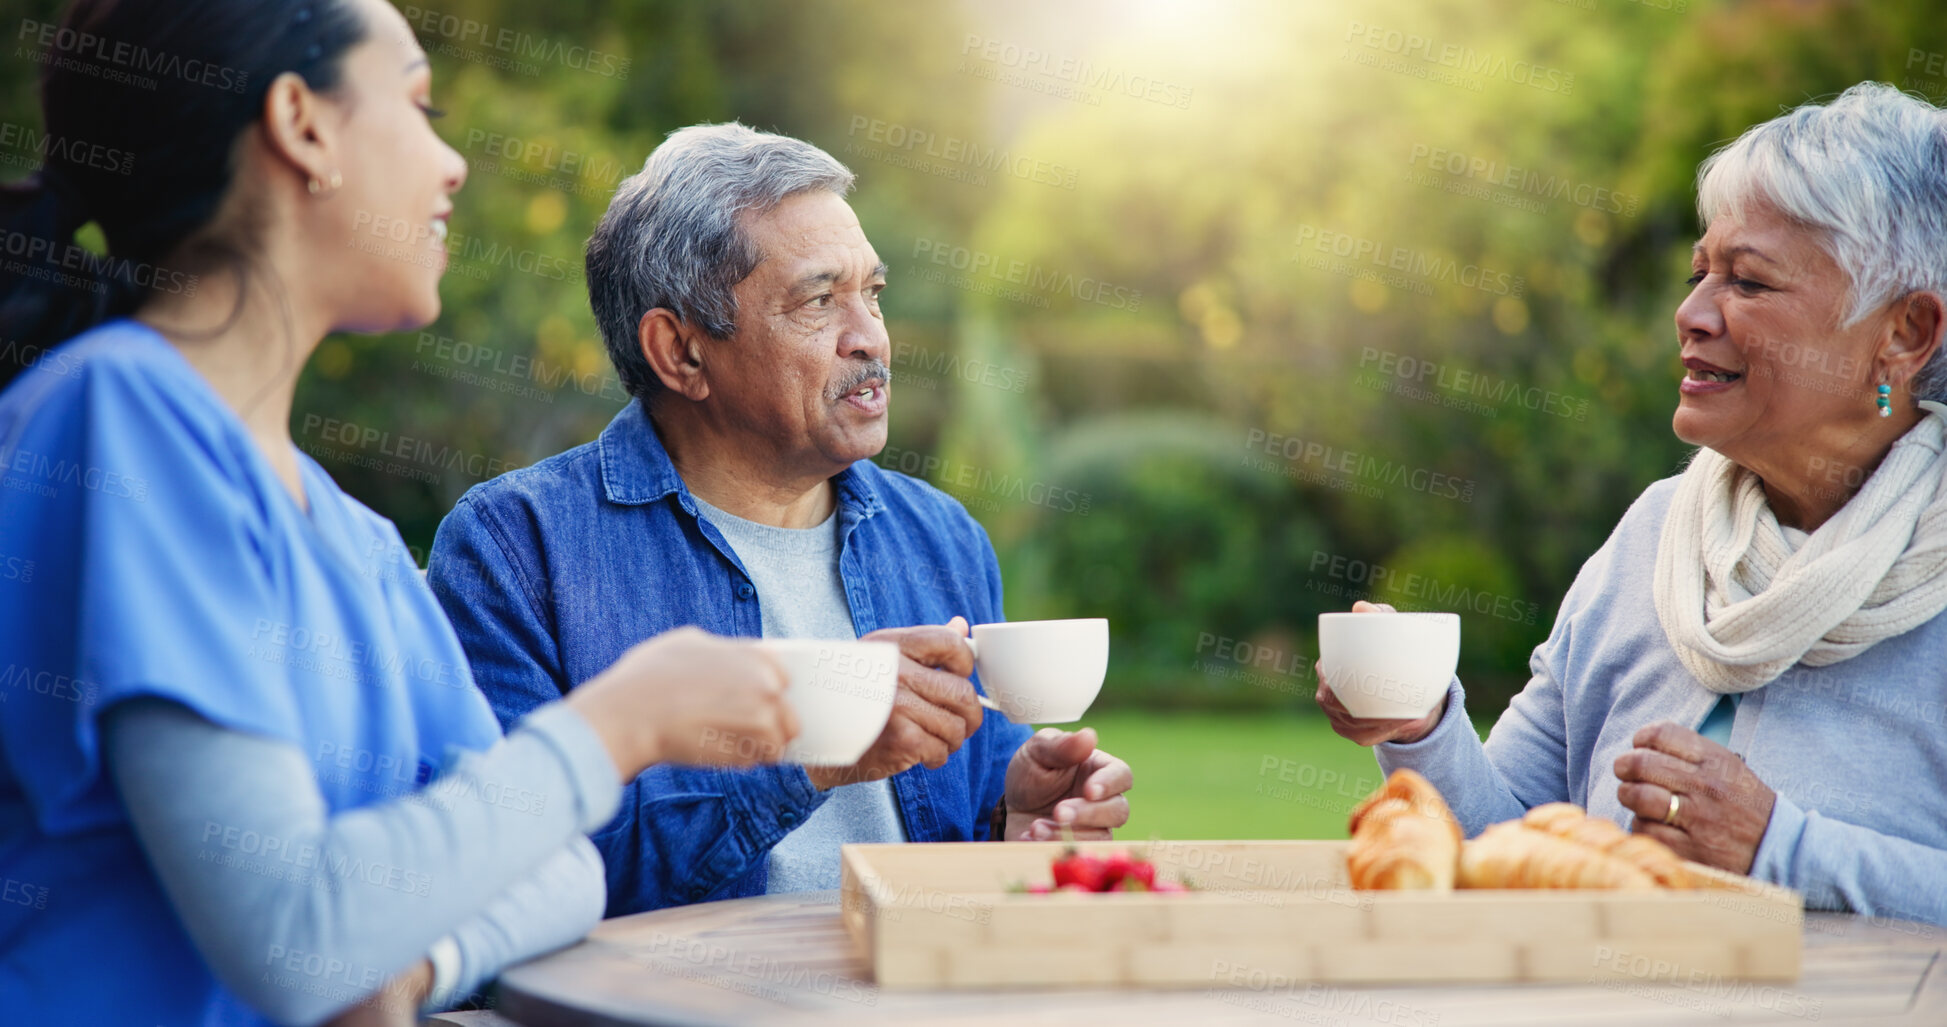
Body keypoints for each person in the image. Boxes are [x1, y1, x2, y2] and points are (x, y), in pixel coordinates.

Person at [0, 3, 801, 1024]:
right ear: (303, 124)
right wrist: (619, 723)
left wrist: (416, 968)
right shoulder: (120, 418)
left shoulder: (355, 540)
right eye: (418, 103)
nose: (454, 163)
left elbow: (561, 870)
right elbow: (293, 931)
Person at [429, 123, 1134, 913]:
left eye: (871, 293)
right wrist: (810, 751)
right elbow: (502, 876)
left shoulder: (939, 537)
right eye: (818, 299)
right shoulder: (515, 550)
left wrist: (1017, 816)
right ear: (680, 353)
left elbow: (964, 844)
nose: (870, 337)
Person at [1316, 82, 1947, 925]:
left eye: (1748, 283)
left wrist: (1779, 849)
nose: (1689, 314)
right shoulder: (1654, 534)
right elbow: (1503, 851)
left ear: (1904, 332)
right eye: (1699, 274)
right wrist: (1420, 720)